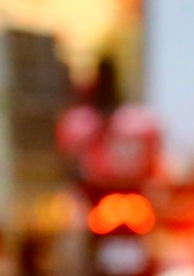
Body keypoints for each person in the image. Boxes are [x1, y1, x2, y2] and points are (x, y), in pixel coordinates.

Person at [55, 57, 162, 199]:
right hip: (92, 195)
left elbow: (153, 162)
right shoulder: (78, 122)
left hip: (132, 195)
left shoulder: (139, 122)